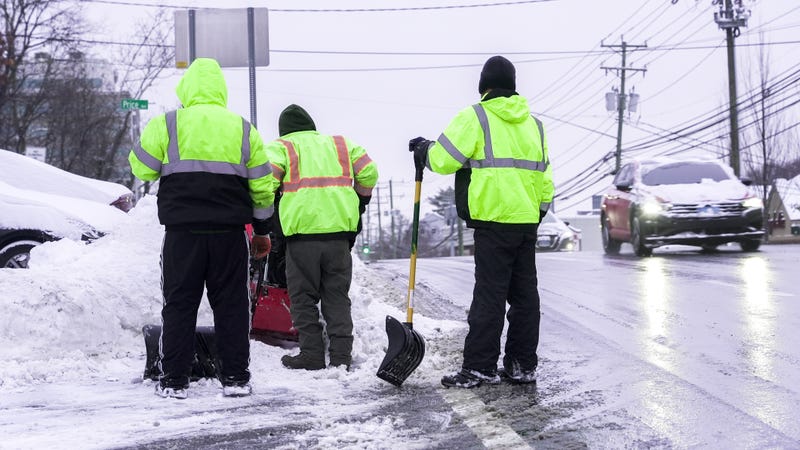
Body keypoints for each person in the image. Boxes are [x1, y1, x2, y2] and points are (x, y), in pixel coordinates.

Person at [129, 58, 277, 399]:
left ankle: (175, 382)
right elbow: (262, 186)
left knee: (179, 305)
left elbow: (142, 168)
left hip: (182, 235)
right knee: (232, 306)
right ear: (220, 89)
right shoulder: (242, 128)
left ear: (187, 88)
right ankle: (237, 379)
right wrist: (262, 230)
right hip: (229, 235)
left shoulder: (167, 123)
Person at [409, 55, 554, 388]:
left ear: (484, 87)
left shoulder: (476, 116)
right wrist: (537, 212)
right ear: (513, 87)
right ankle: (521, 366)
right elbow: (546, 179)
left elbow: (444, 160)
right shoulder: (535, 125)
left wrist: (423, 150)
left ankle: (479, 367)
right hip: (526, 223)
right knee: (525, 298)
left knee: (489, 296)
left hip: (492, 222)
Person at [265, 104, 378, 371]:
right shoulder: (340, 144)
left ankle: (312, 355)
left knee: (303, 296)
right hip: (339, 236)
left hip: (302, 237)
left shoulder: (283, 146)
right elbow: (369, 172)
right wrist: (360, 200)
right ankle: (341, 357)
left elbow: (265, 182)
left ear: (285, 130)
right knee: (337, 295)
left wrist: (268, 212)